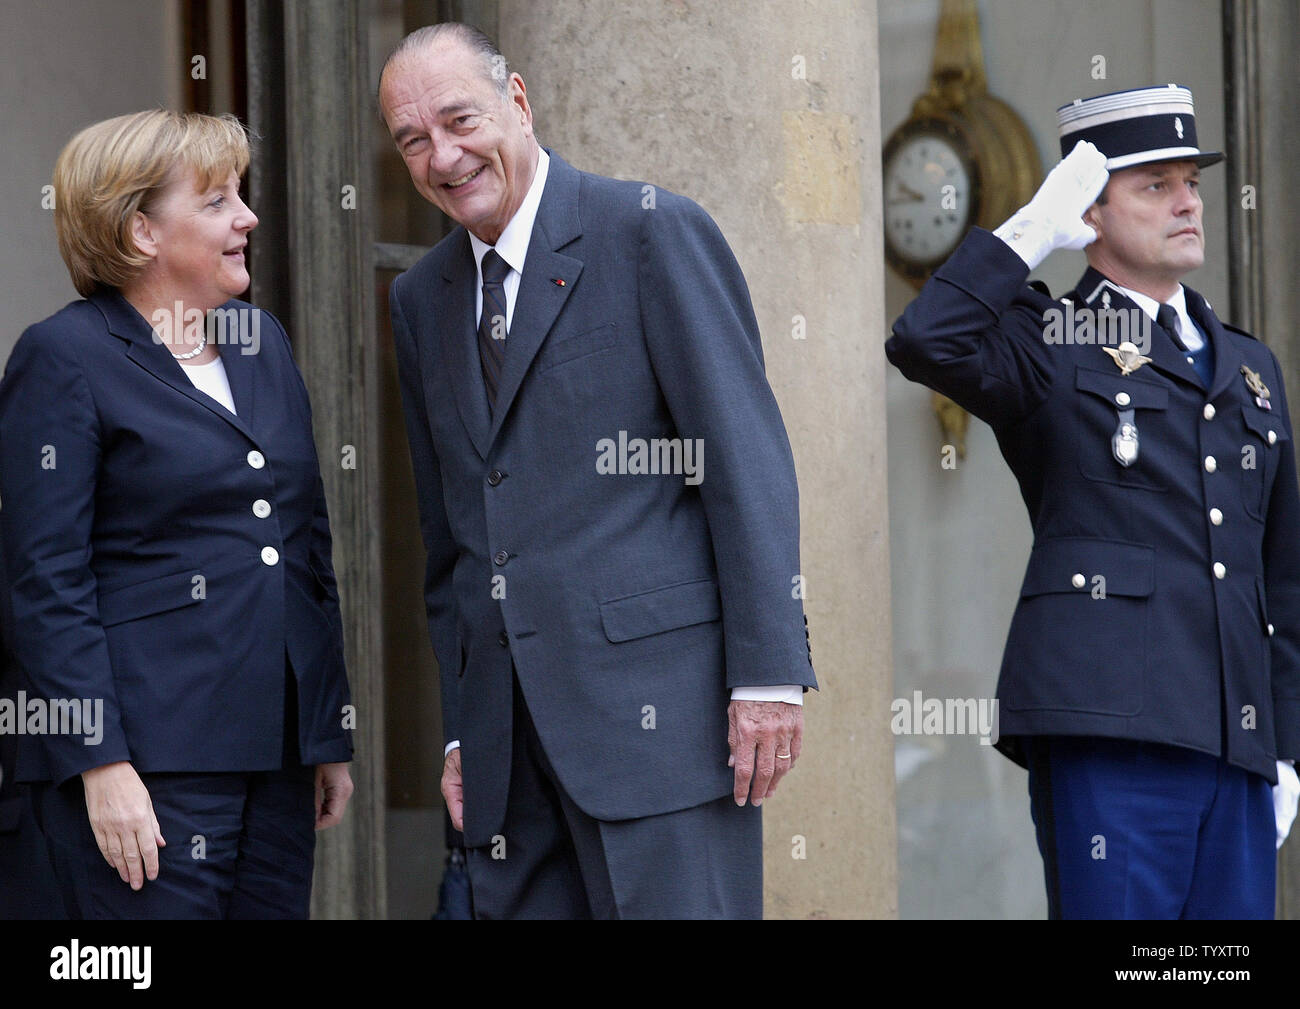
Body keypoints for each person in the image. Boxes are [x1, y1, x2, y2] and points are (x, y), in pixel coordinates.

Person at [379, 23, 815, 919]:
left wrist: (767, 677)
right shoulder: (420, 298)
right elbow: (452, 538)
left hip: (661, 733)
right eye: (413, 139)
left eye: (460, 119)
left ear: (520, 101)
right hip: (508, 756)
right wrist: (464, 725)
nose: (444, 156)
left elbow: (742, 460)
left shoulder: (647, 232)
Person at [887, 85, 1300, 919]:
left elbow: (1282, 580)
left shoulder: (1251, 367)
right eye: (1155, 186)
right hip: (1113, 739)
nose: (1187, 201)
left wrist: (1290, 749)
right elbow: (925, 338)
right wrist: (1030, 232)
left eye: (1191, 182)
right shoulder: (1051, 344)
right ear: (1093, 213)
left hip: (1238, 742)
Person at [0, 110, 354, 919]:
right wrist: (100, 763)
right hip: (145, 771)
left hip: (276, 757)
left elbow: (305, 544)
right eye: (218, 200)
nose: (248, 218)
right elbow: (42, 581)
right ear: (140, 230)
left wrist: (325, 732)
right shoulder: (64, 356)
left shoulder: (260, 339)